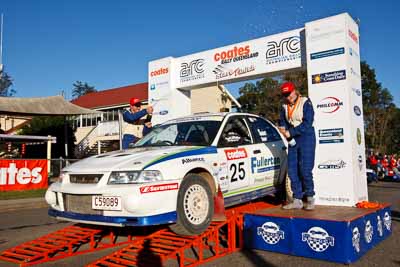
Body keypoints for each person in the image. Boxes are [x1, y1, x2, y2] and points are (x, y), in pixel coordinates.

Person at [278, 81, 316, 210]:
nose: (288, 97)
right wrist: (283, 129)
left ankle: (310, 198)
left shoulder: (305, 102)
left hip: (306, 137)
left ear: (294, 91)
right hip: (292, 139)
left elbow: (308, 123)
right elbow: (283, 121)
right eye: (285, 95)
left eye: (289, 94)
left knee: (305, 169)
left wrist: (291, 132)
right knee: (292, 171)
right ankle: (297, 199)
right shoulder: (284, 106)